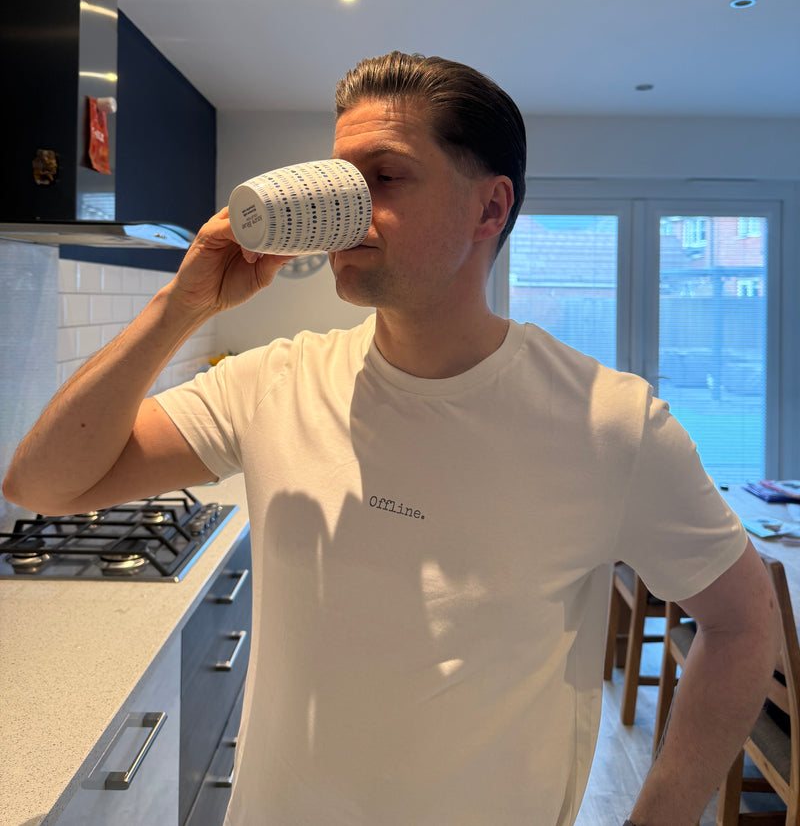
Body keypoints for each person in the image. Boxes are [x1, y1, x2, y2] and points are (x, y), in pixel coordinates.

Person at [4, 51, 779, 826]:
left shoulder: (610, 422)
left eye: (384, 176)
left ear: (489, 209)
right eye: (341, 179)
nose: (347, 209)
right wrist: (181, 302)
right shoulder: (275, 381)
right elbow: (43, 484)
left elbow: (745, 623)